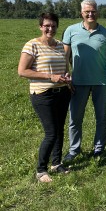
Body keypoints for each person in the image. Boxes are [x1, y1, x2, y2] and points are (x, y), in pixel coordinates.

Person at [18, 13, 72, 182]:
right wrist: (50, 77)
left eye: (53, 26)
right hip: (42, 94)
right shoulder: (32, 45)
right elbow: (22, 71)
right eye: (47, 26)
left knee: (59, 130)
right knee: (51, 132)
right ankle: (41, 169)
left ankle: (56, 163)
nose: (50, 29)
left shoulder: (60, 46)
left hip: (62, 92)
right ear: (40, 26)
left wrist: (66, 79)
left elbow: (63, 69)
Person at [62, 0, 106, 161]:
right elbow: (65, 57)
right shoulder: (71, 31)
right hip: (78, 82)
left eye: (93, 11)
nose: (90, 14)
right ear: (81, 13)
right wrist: (67, 77)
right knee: (75, 118)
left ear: (97, 12)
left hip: (102, 82)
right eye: (87, 12)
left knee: (101, 117)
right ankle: (74, 150)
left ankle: (99, 149)